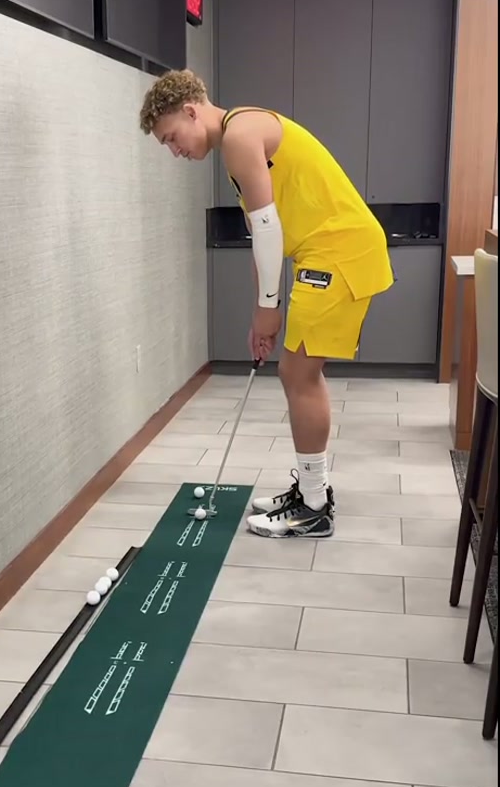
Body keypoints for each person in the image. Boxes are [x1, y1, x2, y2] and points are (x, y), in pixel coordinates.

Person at [139, 70, 394, 539]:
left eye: (171, 137)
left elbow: (268, 230)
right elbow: (263, 236)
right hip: (326, 253)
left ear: (191, 112)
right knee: (297, 371)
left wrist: (268, 308)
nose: (175, 151)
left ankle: (314, 507)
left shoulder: (239, 136)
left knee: (299, 373)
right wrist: (263, 313)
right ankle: (310, 492)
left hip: (340, 252)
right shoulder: (239, 134)